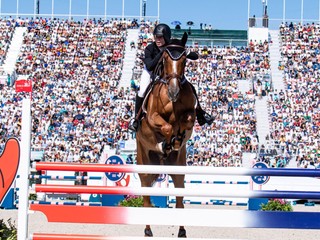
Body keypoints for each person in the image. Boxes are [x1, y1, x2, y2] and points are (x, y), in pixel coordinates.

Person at [129, 23, 214, 131]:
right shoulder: (150, 48)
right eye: (156, 36)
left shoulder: (173, 47)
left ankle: (201, 114)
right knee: (142, 91)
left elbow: (192, 56)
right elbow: (150, 66)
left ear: (166, 37)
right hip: (151, 72)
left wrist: (186, 52)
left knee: (190, 86)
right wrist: (163, 53)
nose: (158, 39)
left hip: (169, 74)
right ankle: (136, 119)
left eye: (160, 37)